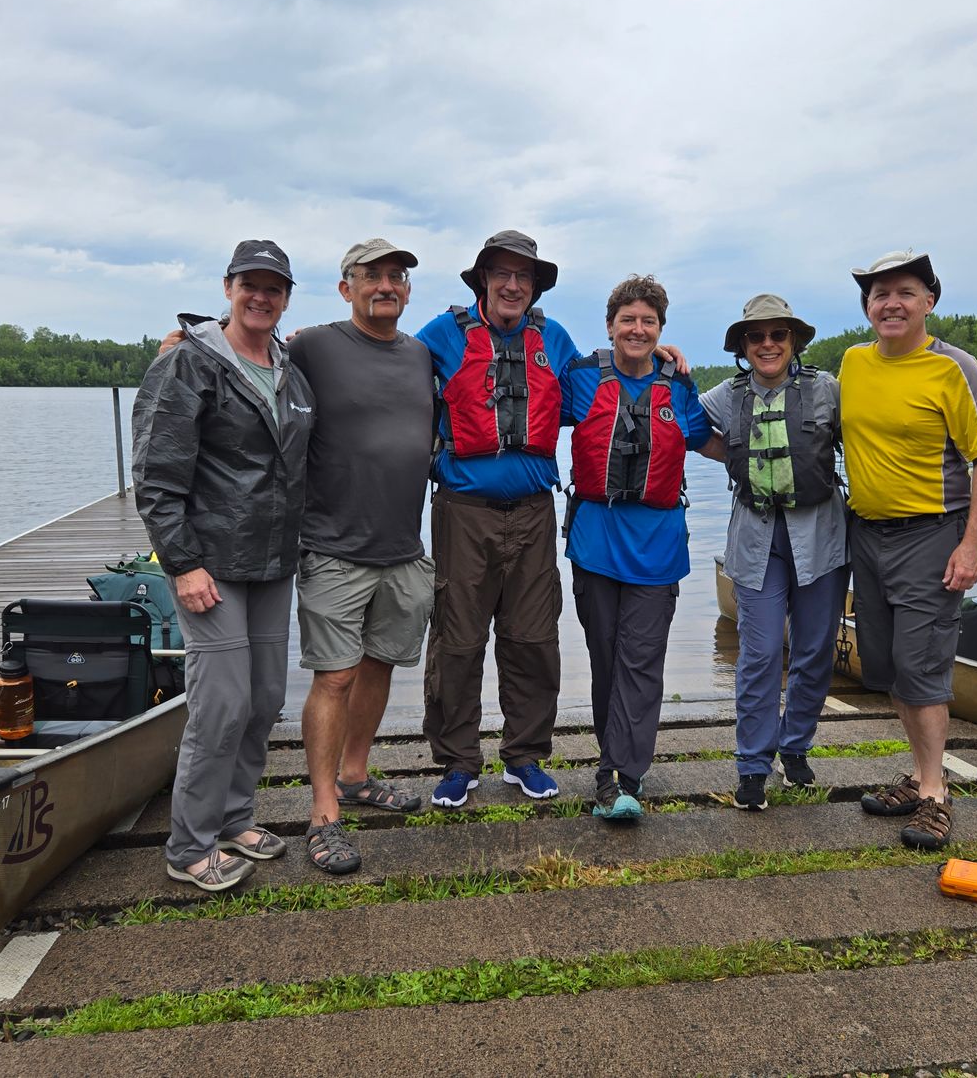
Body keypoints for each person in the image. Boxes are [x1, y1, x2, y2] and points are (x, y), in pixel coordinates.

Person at [132, 239, 314, 891]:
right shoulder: (189, 362)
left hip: (272, 562)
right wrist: (181, 563)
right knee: (222, 703)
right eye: (250, 284)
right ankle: (189, 845)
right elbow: (156, 475)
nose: (261, 296)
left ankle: (235, 817)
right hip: (208, 564)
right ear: (228, 288)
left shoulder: (290, 369)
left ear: (286, 297)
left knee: (264, 699)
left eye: (274, 287)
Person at [841, 250, 977, 850]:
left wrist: (971, 546)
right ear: (867, 306)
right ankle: (917, 775)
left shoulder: (955, 367)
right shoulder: (853, 363)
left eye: (905, 292)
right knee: (888, 665)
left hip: (931, 536)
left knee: (923, 667)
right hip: (867, 535)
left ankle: (936, 793)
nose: (891, 304)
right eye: (879, 294)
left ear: (929, 301)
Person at [289, 238, 435, 874]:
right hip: (334, 547)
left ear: (407, 290)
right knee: (335, 676)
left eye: (396, 276)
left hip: (403, 548)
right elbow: (246, 352)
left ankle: (355, 775)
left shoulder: (420, 353)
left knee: (379, 665)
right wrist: (187, 344)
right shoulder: (314, 346)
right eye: (371, 275)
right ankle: (324, 813)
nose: (386, 285)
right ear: (345, 287)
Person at [417, 231, 577, 807]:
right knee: (458, 641)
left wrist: (660, 358)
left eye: (524, 276)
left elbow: (605, 385)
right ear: (482, 279)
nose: (513, 285)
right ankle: (459, 761)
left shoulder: (554, 339)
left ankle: (524, 755)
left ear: (535, 286)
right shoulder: (440, 335)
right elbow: (382, 367)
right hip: (464, 515)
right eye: (502, 273)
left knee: (533, 638)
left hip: (534, 514)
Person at [562, 276, 720, 819]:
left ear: (660, 329)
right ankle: (614, 761)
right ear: (610, 326)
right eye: (627, 319)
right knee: (606, 659)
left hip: (657, 549)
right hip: (595, 545)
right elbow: (532, 407)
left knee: (642, 660)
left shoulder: (679, 386)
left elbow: (708, 441)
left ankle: (621, 777)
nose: (637, 329)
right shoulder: (582, 378)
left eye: (648, 321)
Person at [700, 295, 849, 812]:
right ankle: (752, 765)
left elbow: (867, 441)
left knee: (813, 651)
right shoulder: (726, 395)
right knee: (760, 653)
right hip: (755, 540)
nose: (767, 344)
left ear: (793, 341)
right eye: (756, 336)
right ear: (742, 346)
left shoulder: (828, 389)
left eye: (778, 334)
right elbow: (680, 418)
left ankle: (796, 745)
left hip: (821, 537)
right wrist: (727, 452)